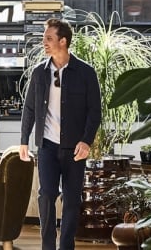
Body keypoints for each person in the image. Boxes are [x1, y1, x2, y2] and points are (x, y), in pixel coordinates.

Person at [19, 17, 102, 250]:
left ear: (63, 41)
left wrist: (86, 141)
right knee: (46, 195)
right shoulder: (39, 73)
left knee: (72, 199)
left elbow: (95, 112)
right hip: (47, 146)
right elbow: (30, 108)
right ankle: (48, 246)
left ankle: (66, 246)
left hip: (75, 148)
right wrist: (24, 141)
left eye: (48, 38)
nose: (44, 42)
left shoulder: (86, 73)